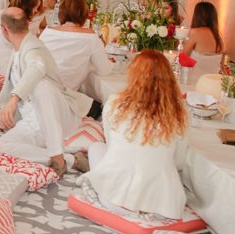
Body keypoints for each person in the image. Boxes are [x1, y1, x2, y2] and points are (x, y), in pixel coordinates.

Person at [78, 50, 189, 219]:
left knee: (96, 147)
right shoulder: (179, 112)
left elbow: (111, 145)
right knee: (164, 166)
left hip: (113, 199)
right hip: (161, 207)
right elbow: (179, 161)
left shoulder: (115, 102)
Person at [0, 7, 93, 176]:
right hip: (32, 121)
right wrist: (1, 124)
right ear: (27, 23)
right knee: (1, 146)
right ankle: (71, 160)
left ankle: (57, 154)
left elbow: (37, 67)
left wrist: (14, 99)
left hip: (60, 116)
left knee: (41, 85)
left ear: (4, 29)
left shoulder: (33, 48)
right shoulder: (18, 48)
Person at [40, 0, 112, 93]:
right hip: (64, 96)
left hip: (38, 91)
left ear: (61, 13)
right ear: (84, 15)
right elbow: (104, 71)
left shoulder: (47, 32)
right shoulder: (91, 37)